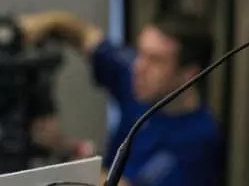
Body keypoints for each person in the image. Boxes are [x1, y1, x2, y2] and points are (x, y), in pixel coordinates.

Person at [18, 10, 225, 186]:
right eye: (140, 52)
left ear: (189, 74)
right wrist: (51, 22)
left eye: (155, 60)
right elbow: (85, 36)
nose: (139, 67)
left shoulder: (198, 140)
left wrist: (73, 167)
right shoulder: (139, 81)